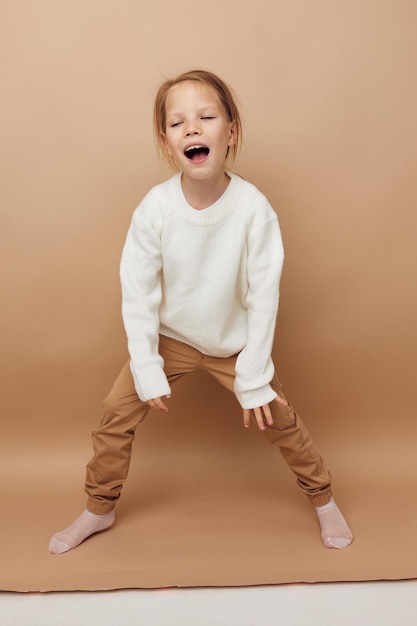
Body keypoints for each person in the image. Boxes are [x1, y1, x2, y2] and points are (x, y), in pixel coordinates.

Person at [49, 69, 353, 555]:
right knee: (114, 415)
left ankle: (323, 500)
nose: (192, 129)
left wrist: (253, 371)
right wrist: (147, 366)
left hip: (234, 344)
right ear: (166, 141)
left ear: (230, 132)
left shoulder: (253, 209)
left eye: (206, 117)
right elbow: (137, 289)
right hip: (173, 338)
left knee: (280, 420)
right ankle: (99, 507)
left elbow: (264, 294)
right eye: (178, 123)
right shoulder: (156, 208)